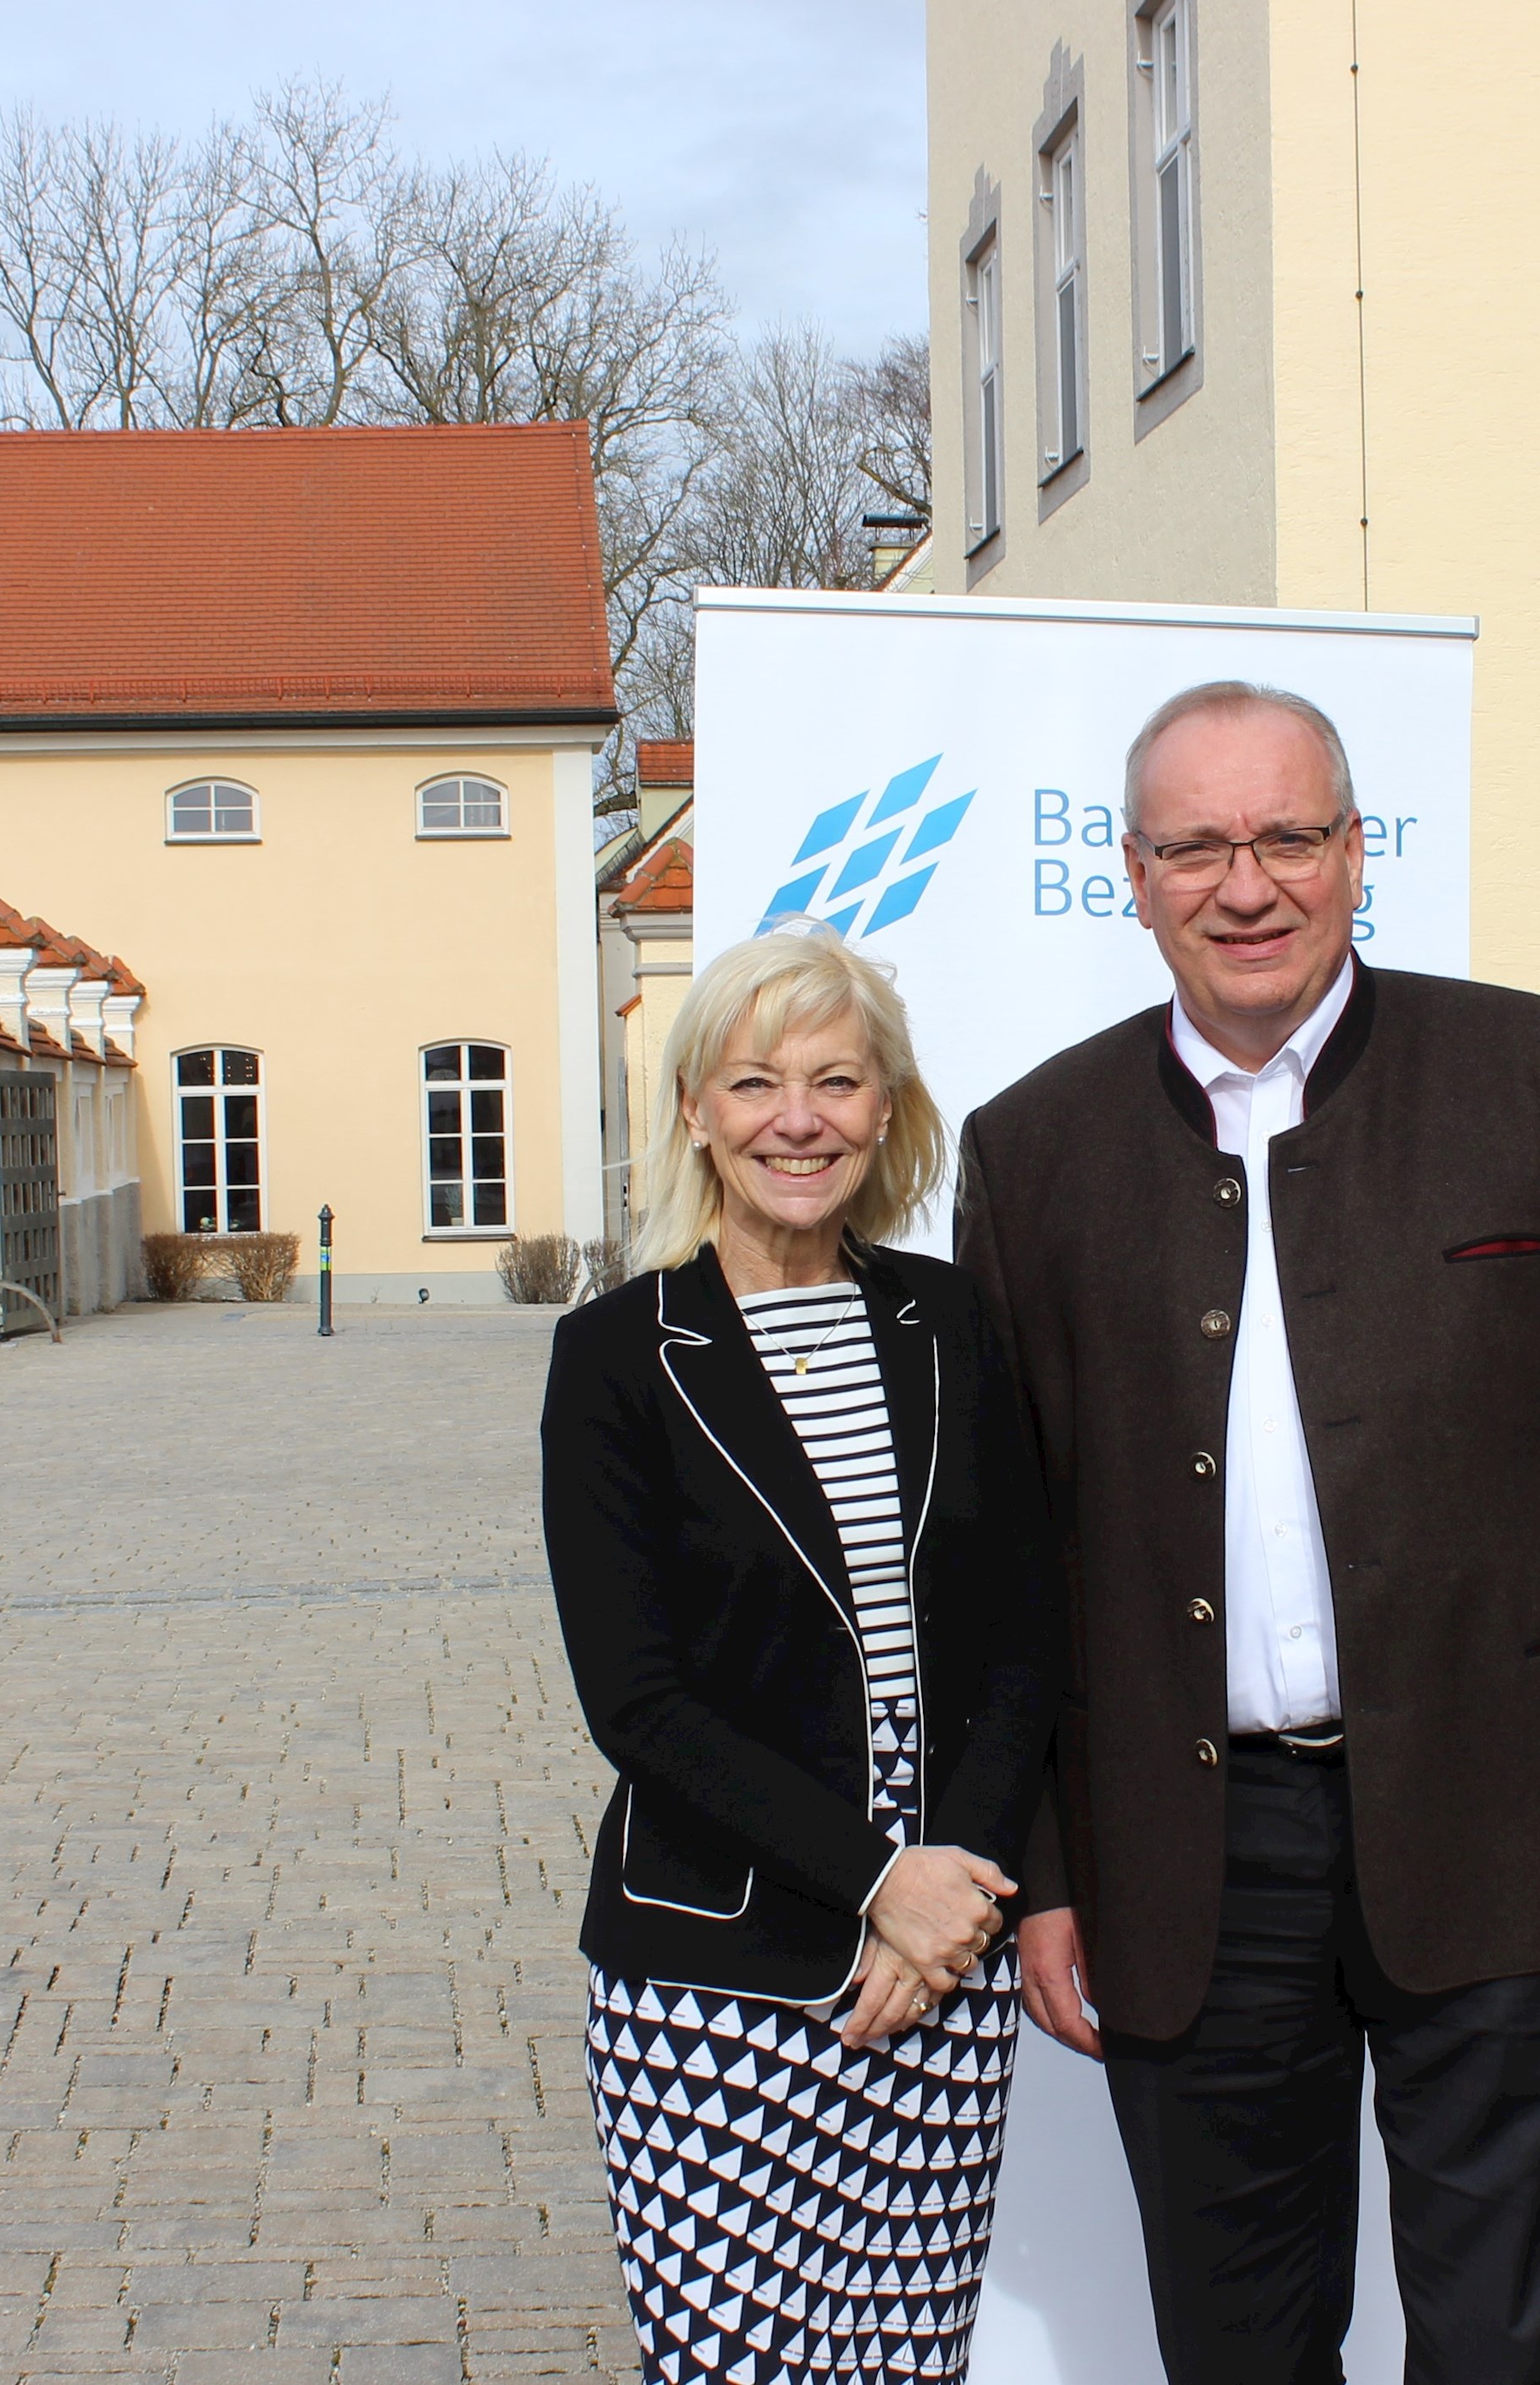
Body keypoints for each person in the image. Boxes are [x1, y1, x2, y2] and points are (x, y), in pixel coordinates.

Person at [955, 681, 1540, 2384]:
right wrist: (1045, 1871)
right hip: (1186, 1860)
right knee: (1238, 2349)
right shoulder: (1031, 1151)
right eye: (1195, 845)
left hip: (1507, 1823)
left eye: (1285, 837)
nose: (1243, 885)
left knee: (1495, 2339)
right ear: (1131, 871)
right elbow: (1003, 1567)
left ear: (1353, 852)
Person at [542, 923, 1061, 2383]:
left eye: (836, 1081)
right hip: (717, 1962)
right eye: (757, 1081)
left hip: (947, 1940)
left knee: (909, 2362)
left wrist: (947, 1882)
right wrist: (875, 1884)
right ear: (698, 1106)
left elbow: (1026, 1634)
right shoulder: (616, 1359)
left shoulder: (951, 1320)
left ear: (885, 1107)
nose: (798, 1118)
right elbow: (637, 1700)